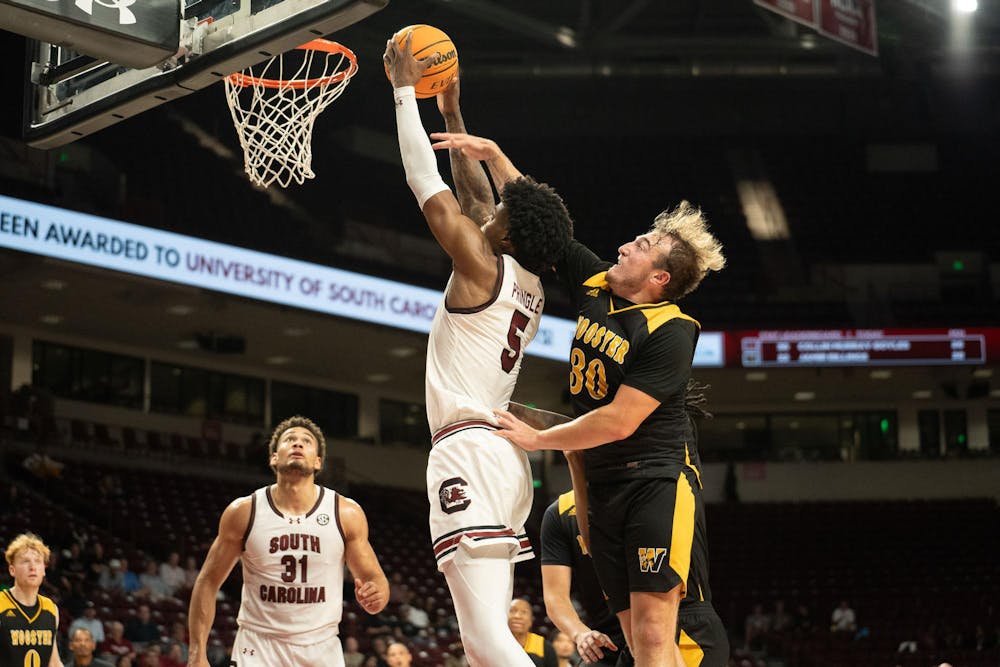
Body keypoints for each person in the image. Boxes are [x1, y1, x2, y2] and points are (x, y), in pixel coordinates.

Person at [429, 134, 725, 667]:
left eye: (641, 244)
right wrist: (493, 156)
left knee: (657, 637)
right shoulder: (596, 286)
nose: (626, 245)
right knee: (637, 641)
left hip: (655, 480)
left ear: (659, 278)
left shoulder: (673, 330)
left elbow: (618, 419)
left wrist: (540, 438)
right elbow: (543, 220)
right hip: (604, 484)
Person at [384, 34, 573, 667]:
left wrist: (405, 90)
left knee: (490, 640)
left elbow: (423, 180)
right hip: (501, 460)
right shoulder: (525, 281)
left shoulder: (479, 263)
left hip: (467, 448)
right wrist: (454, 115)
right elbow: (476, 200)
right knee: (478, 642)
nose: (495, 202)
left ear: (508, 227)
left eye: (505, 206)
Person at [186, 415, 389, 667]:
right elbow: (207, 582)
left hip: (321, 646)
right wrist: (197, 654)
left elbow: (376, 581)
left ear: (318, 462)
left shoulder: (345, 513)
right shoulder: (244, 512)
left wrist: (376, 596)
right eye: (289, 439)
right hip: (259, 645)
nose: (298, 443)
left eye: (306, 441)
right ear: (273, 457)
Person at [2, 533, 63, 667]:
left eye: (37, 561)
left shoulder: (51, 609)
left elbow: (53, 662)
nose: (32, 566)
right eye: (25, 561)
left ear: (44, 570)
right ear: (12, 570)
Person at [508, 599, 558, 667]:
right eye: (512, 611)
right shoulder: (496, 642)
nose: (517, 616)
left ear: (531, 621)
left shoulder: (544, 646)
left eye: (524, 612)